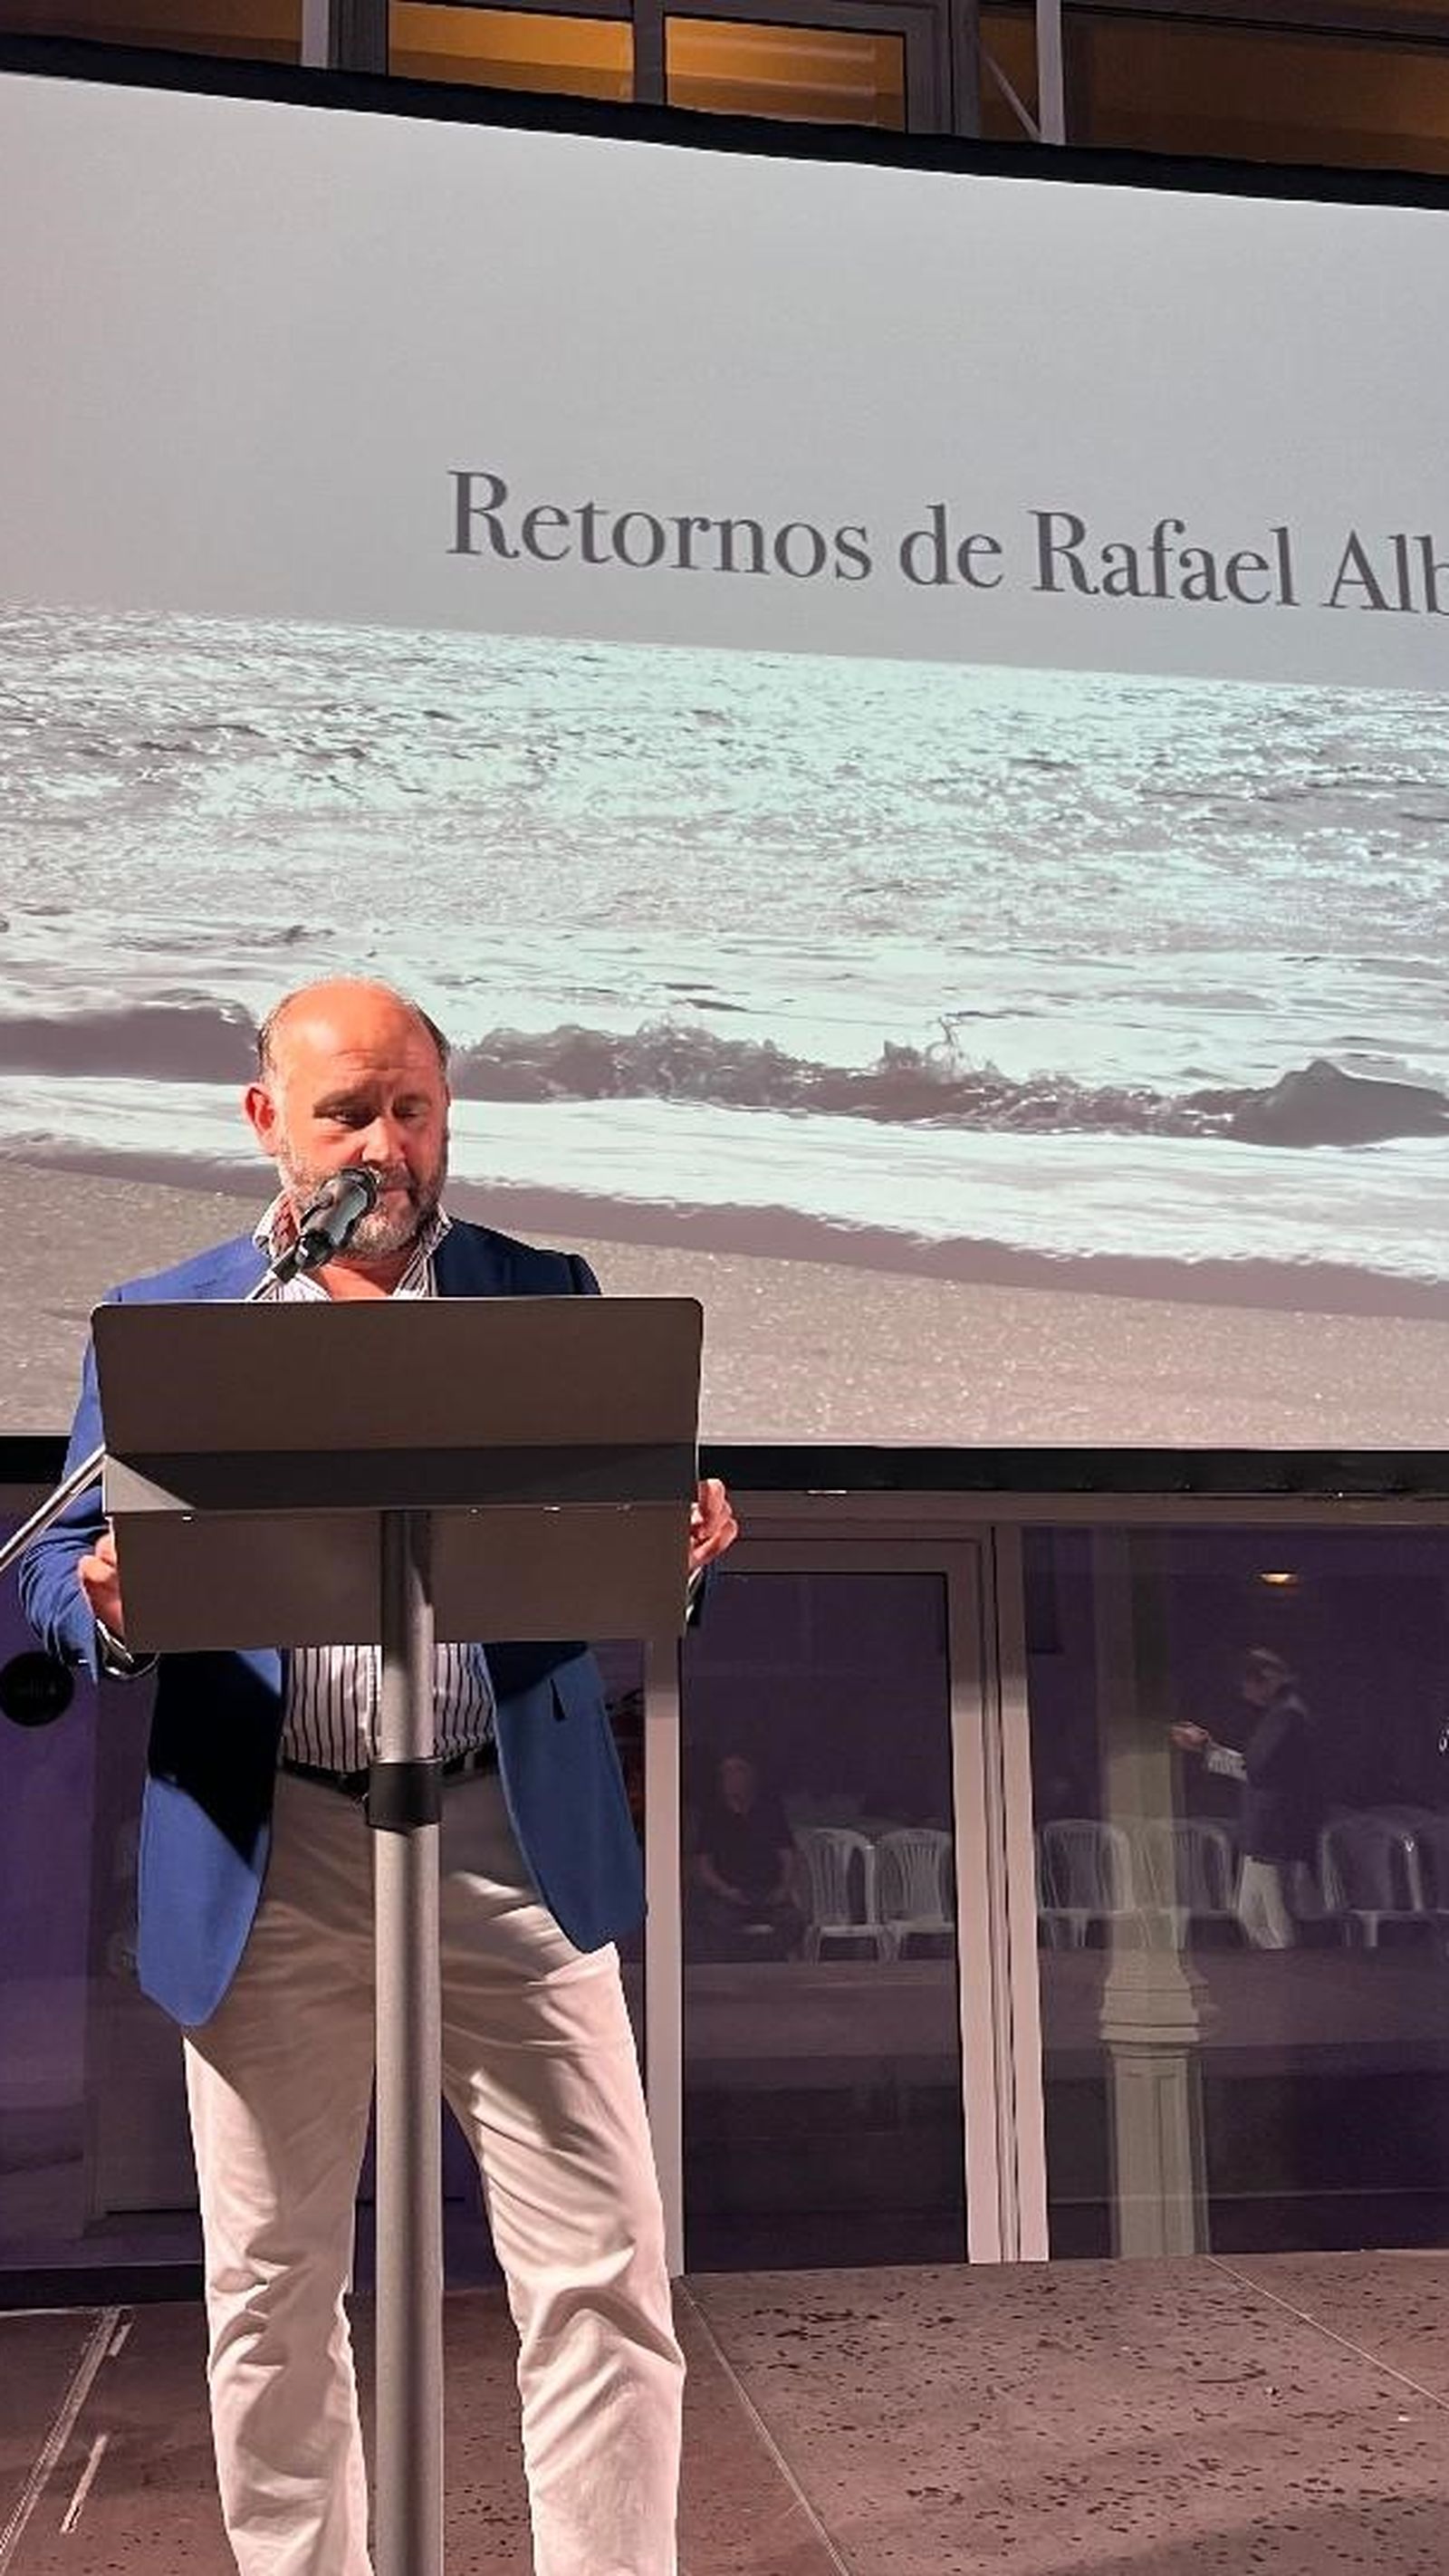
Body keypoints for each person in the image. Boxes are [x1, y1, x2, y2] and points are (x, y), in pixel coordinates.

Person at [20, 978, 738, 2576]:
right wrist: (103, 1603)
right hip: (270, 1843)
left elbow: (620, 1554)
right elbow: (59, 1562)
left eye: (413, 1106)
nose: (387, 1142)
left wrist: (676, 1548)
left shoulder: (543, 1295)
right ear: (267, 1119)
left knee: (602, 2271)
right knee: (271, 2288)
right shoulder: (174, 1316)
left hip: (505, 1835)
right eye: (350, 1109)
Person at [1171, 1646, 1319, 1949]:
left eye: (1248, 1684)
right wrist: (1209, 1748)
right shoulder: (1282, 1714)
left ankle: (1287, 1981)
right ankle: (1277, 1979)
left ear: (1267, 1679)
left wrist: (1206, 1748)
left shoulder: (1287, 1716)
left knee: (1275, 1920)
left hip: (1273, 1832)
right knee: (1250, 1915)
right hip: (1263, 1832)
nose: (1245, 1693)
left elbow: (1257, 1769)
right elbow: (1256, 1767)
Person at [689, 1751, 802, 1957]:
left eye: (738, 1771)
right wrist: (725, 1890)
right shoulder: (713, 1815)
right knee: (713, 1922)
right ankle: (738, 1966)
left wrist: (784, 1889)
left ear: (751, 1776)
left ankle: (763, 1962)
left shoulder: (769, 1811)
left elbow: (788, 1855)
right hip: (729, 1896)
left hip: (768, 1893)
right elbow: (703, 1864)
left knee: (793, 1922)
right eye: (727, 1773)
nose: (733, 1778)